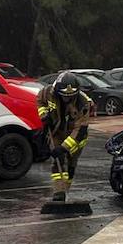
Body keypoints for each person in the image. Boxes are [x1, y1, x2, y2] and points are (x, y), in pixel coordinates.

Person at [35, 73, 94, 201]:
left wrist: (64, 148)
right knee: (58, 161)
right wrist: (44, 115)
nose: (67, 100)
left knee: (70, 164)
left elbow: (80, 130)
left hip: (76, 138)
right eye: (64, 97)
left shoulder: (83, 103)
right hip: (57, 131)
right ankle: (59, 193)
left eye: (70, 97)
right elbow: (40, 100)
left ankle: (66, 188)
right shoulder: (48, 92)